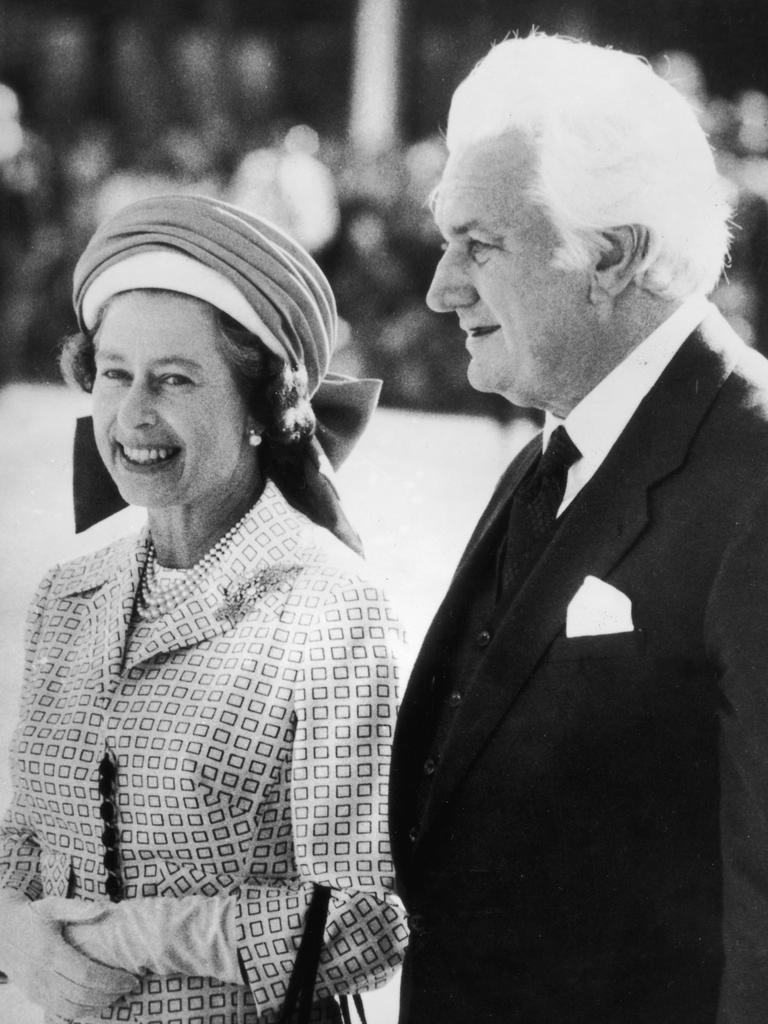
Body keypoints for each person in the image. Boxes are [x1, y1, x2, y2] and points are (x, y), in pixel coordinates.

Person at [389, 31, 768, 1024]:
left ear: (613, 255)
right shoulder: (551, 458)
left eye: (481, 243)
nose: (441, 288)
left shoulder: (757, 477)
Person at [0, 193, 407, 1024]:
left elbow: (364, 920)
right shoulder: (69, 597)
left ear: (264, 405)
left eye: (175, 380)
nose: (133, 415)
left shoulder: (332, 607)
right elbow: (25, 845)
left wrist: (134, 935)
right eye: (114, 374)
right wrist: (12, 936)